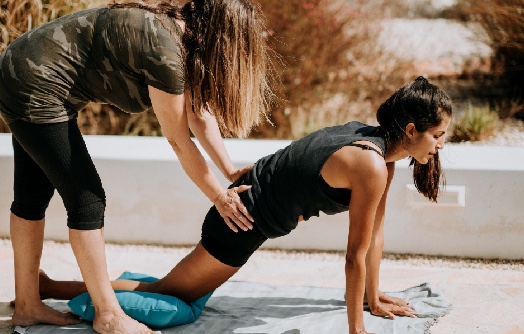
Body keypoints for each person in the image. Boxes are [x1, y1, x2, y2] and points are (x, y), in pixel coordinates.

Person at [35, 77, 453, 334]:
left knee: (175, 291)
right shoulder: (371, 165)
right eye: (437, 135)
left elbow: (374, 238)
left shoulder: (375, 148)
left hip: (248, 201)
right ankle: (51, 288)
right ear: (412, 129)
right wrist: (356, 328)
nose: (440, 145)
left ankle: (56, 287)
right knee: (170, 298)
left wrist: (373, 296)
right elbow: (354, 255)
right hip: (241, 220)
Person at [0, 0, 273, 332]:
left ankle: (28, 306)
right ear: (223, 36)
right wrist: (219, 196)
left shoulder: (179, 37)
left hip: (24, 70)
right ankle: (109, 315)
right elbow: (179, 140)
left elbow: (198, 114)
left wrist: (229, 170)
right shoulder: (166, 51)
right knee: (87, 199)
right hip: (33, 82)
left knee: (32, 196)